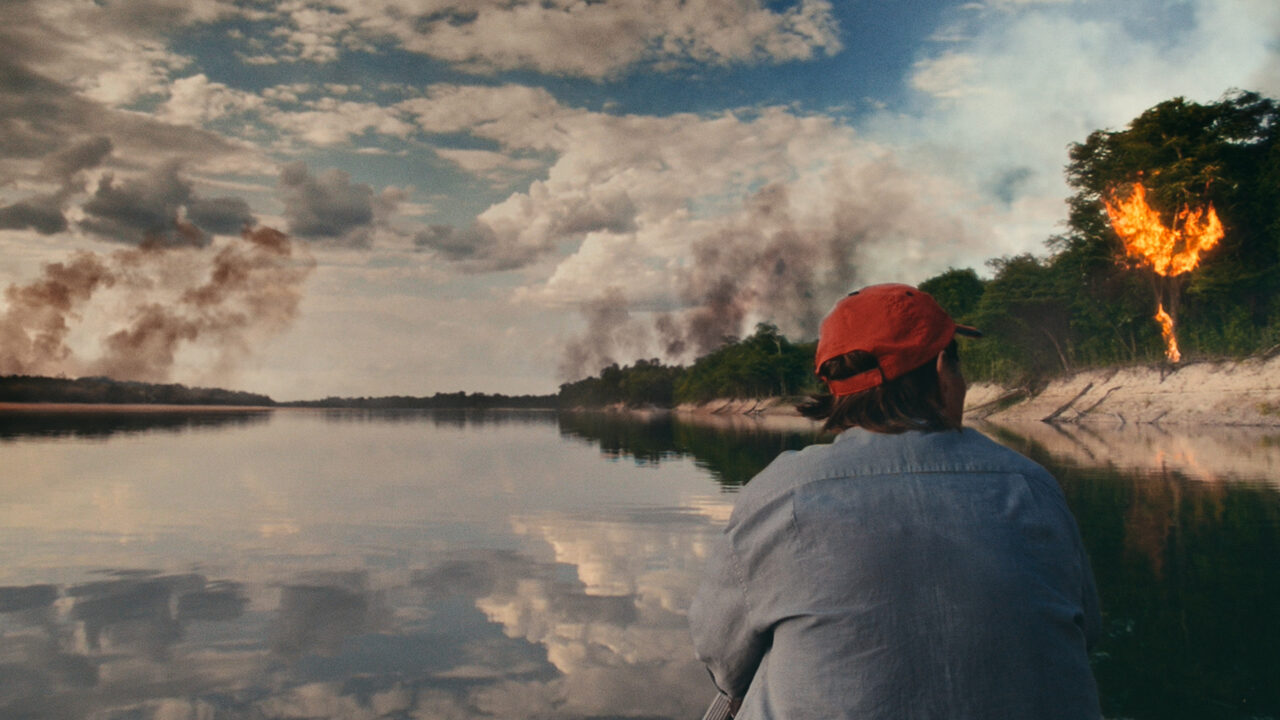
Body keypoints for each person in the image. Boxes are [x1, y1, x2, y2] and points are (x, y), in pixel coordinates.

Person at [688, 283, 1101, 720]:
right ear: (945, 371)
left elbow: (724, 663)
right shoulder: (1032, 484)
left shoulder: (780, 491)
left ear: (834, 389)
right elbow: (1087, 630)